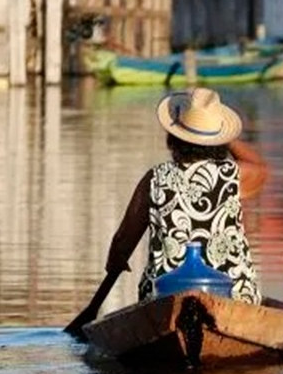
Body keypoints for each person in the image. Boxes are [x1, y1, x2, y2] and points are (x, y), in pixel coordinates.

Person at [104, 87, 269, 304]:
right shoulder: (234, 175)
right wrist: (223, 137)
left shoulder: (155, 179)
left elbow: (123, 243)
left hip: (163, 296)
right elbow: (260, 166)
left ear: (174, 138)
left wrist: (114, 263)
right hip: (234, 295)